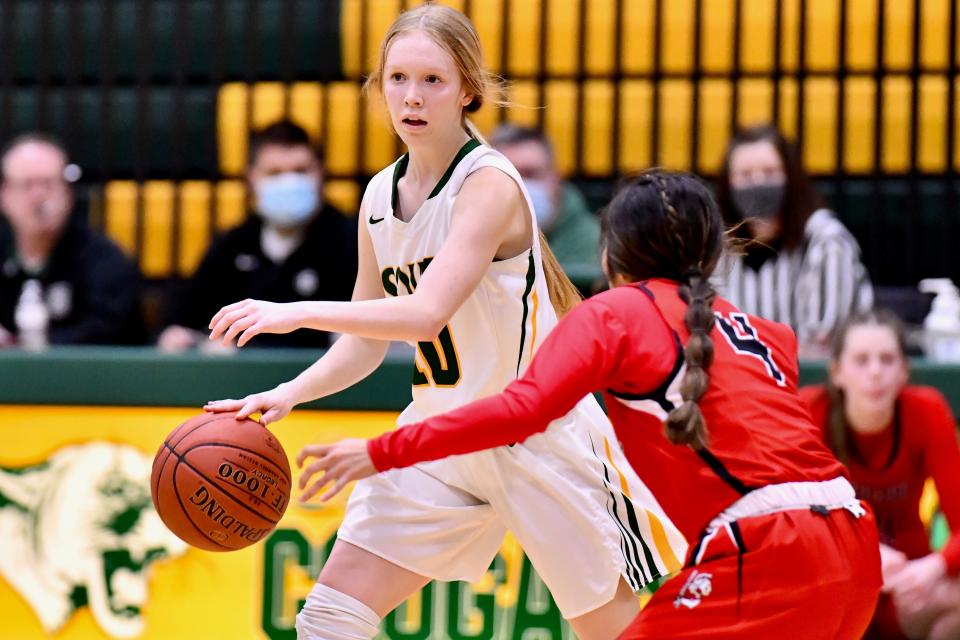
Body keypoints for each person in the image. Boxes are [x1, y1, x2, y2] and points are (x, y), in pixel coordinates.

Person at [204, 6, 684, 640]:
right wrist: (286, 394)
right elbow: (365, 344)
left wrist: (289, 313)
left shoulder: (489, 184)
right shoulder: (378, 197)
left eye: (432, 80)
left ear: (467, 90)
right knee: (327, 621)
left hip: (535, 438)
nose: (412, 96)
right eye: (398, 78)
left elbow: (424, 315)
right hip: (440, 440)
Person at [302, 169, 884, 639]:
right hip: (855, 548)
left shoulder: (612, 314)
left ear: (611, 256)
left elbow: (518, 412)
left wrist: (384, 451)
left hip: (765, 552)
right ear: (713, 254)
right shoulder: (766, 335)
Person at [800, 310, 960, 640]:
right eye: (861, 360)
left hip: (906, 589)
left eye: (887, 360)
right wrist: (865, 552)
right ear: (837, 372)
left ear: (903, 371)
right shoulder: (809, 411)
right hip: (834, 587)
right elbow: (788, 522)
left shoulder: (927, 411)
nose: (875, 372)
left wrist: (934, 568)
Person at [157, 121, 357, 351]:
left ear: (320, 173)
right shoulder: (231, 245)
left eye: (300, 171)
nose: (288, 182)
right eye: (274, 173)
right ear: (251, 177)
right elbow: (182, 322)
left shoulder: (352, 241)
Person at [714, 124, 873, 355]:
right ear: (728, 184)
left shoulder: (826, 241)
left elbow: (824, 345)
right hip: (736, 383)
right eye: (745, 175)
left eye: (769, 172)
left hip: (809, 385)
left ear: (791, 176)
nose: (758, 183)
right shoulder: (716, 249)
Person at [0, 133, 144, 346]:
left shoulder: (106, 261)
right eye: (27, 185)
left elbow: (106, 332)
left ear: (68, 191)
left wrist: (17, 346)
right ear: (4, 194)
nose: (38, 196)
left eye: (49, 183)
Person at [489, 124, 601, 272]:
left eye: (531, 174)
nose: (521, 186)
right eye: (508, 175)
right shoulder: (466, 237)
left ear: (555, 178)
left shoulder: (596, 245)